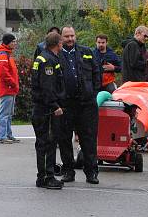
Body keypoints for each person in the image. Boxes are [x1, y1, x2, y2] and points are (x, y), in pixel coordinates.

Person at [57, 26, 101, 184]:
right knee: (64, 139)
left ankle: (91, 173)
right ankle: (68, 171)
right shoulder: (57, 54)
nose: (70, 39)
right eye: (67, 36)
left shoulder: (87, 51)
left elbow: (97, 73)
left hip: (86, 104)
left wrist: (93, 92)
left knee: (89, 139)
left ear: (76, 36)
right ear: (61, 38)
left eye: (72, 36)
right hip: (66, 104)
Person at [31, 31, 65, 190]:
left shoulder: (41, 58)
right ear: (58, 44)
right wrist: (55, 106)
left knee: (42, 143)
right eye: (61, 42)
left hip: (40, 107)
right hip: (46, 109)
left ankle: (42, 176)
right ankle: (47, 177)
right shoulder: (49, 61)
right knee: (48, 143)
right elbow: (48, 87)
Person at [0, 33, 20, 144]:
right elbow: (3, 73)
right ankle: (2, 136)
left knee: (8, 113)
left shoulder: (7, 54)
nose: (15, 43)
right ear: (8, 43)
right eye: (13, 41)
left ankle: (8, 134)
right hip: (7, 88)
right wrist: (13, 83)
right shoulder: (3, 55)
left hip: (10, 88)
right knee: (4, 113)